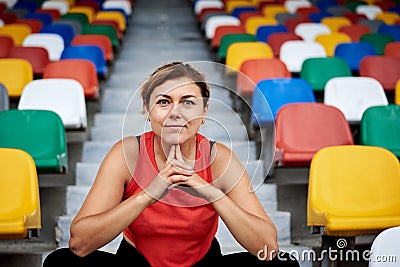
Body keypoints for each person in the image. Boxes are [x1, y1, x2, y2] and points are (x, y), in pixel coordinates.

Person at [43, 62, 299, 267]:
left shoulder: (219, 158)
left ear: (204, 111)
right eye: (164, 102)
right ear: (147, 109)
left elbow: (268, 247)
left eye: (188, 102)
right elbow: (79, 242)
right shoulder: (127, 154)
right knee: (60, 262)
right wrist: (147, 195)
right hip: (136, 261)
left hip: (203, 261)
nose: (175, 113)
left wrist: (210, 192)